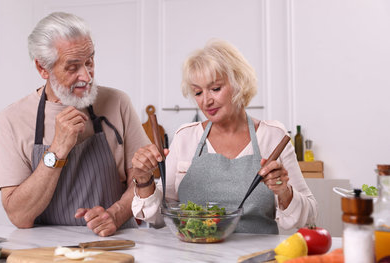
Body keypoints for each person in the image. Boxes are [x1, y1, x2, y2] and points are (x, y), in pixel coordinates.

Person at [131, 39, 317, 234]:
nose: (206, 101)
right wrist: (144, 180)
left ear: (239, 84)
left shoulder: (273, 137)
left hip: (255, 256)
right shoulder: (186, 137)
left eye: (215, 89)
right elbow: (159, 216)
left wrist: (283, 192)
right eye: (198, 92)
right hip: (194, 255)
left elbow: (310, 216)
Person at [0, 12, 150, 237]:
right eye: (72, 67)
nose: (86, 77)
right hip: (44, 251)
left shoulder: (118, 103)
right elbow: (19, 217)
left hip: (115, 242)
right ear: (42, 68)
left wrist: (115, 214)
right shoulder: (12, 119)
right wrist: (57, 149)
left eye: (90, 62)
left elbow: (142, 178)